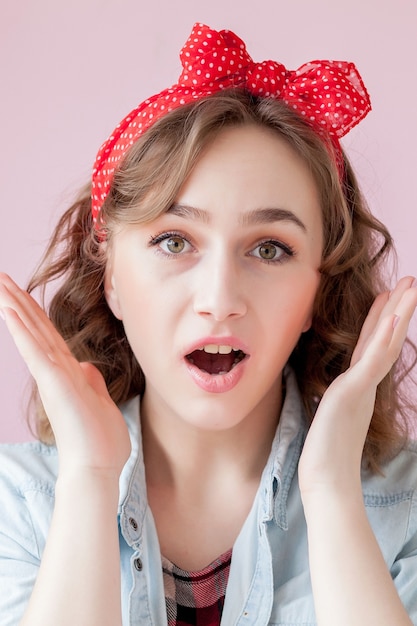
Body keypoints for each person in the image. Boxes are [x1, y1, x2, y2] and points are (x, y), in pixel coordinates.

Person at [0, 22, 416, 626]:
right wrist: (90, 484)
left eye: (270, 249)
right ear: (110, 274)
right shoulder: (16, 505)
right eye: (174, 241)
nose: (219, 299)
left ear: (315, 296)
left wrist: (330, 492)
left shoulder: (404, 506)